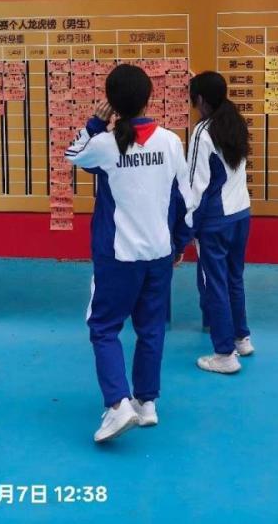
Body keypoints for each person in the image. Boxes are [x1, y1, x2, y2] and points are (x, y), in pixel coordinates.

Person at [66, 64, 194, 443]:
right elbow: (185, 198)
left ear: (112, 102)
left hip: (118, 255)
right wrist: (180, 242)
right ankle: (147, 402)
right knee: (151, 328)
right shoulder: (170, 142)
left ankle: (118, 404)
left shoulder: (105, 144)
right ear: (149, 98)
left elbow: (73, 153)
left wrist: (95, 122)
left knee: (104, 327)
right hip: (159, 252)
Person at [185, 71, 253, 375]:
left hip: (215, 221)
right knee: (234, 278)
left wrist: (187, 227)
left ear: (200, 99)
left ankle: (224, 354)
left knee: (214, 284)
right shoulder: (235, 122)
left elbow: (195, 186)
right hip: (241, 214)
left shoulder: (202, 132)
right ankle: (242, 339)